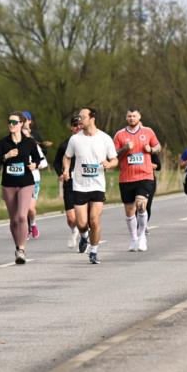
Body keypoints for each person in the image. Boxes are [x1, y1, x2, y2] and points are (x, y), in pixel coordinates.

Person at [62, 107, 118, 265]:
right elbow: (67, 157)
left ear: (92, 118)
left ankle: (93, 251)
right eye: (79, 117)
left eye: (83, 117)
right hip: (80, 186)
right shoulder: (75, 139)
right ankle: (84, 236)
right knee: (81, 224)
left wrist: (109, 164)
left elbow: (115, 159)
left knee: (94, 220)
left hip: (98, 186)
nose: (80, 120)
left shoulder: (105, 138)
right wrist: (66, 169)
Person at [0, 113, 39, 264]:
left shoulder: (29, 142)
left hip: (26, 182)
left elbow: (38, 158)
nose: (11, 124)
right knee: (13, 220)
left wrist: (34, 165)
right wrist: (6, 156)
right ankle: (17, 246)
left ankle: (22, 249)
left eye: (14, 122)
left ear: (21, 124)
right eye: (9, 121)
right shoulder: (3, 143)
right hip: (9, 184)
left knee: (22, 217)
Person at [113, 107, 161, 252]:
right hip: (126, 178)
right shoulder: (119, 135)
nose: (132, 118)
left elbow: (158, 146)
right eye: (129, 116)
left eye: (134, 116)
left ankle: (142, 237)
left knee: (141, 205)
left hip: (145, 175)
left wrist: (151, 150)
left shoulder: (148, 131)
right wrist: (125, 148)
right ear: (126, 118)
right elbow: (113, 155)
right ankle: (133, 238)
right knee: (129, 211)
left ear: (139, 116)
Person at [55, 114, 83, 248]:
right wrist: (60, 173)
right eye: (75, 125)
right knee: (71, 218)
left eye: (80, 125)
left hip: (85, 182)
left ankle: (85, 236)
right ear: (71, 128)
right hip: (69, 181)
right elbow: (56, 162)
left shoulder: (90, 142)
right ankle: (74, 231)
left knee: (84, 215)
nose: (78, 127)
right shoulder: (65, 145)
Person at [21, 111, 49, 240]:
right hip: (20, 180)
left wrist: (35, 165)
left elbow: (44, 162)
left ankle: (33, 223)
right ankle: (24, 229)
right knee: (23, 208)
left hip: (34, 179)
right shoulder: (14, 147)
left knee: (31, 208)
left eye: (26, 134)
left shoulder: (34, 146)